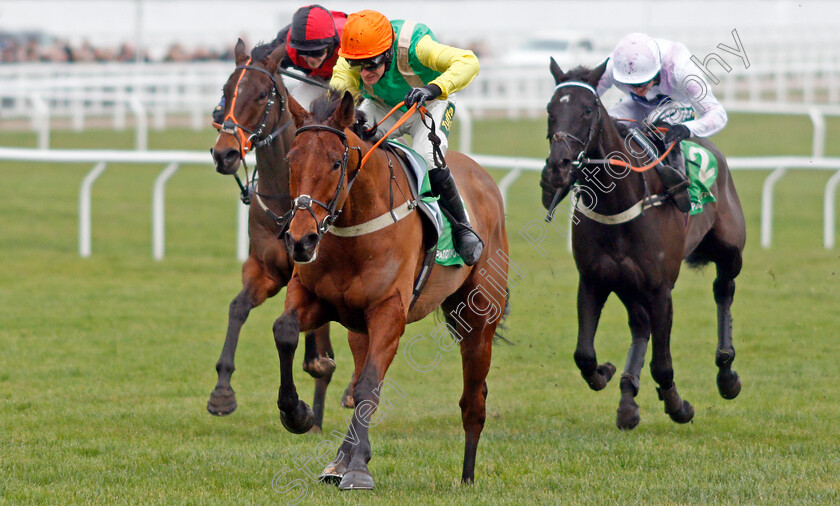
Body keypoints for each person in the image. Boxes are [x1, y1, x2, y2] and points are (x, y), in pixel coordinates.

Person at [329, 9, 483, 265]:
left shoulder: (415, 45)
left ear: (388, 53)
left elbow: (469, 62)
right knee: (350, 144)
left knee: (427, 156)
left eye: (371, 64)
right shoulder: (350, 57)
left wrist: (433, 89)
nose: (365, 73)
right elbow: (337, 97)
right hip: (382, 106)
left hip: (429, 103)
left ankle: (462, 227)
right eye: (358, 65)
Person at [596, 33, 728, 213]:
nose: (638, 89)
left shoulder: (681, 69)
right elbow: (585, 95)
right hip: (637, 105)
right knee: (606, 127)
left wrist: (687, 128)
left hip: (678, 104)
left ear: (657, 70)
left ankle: (681, 187)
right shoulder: (613, 66)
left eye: (642, 83)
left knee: (656, 124)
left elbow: (718, 114)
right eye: (631, 85)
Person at [213, 4, 347, 122]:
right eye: (303, 52)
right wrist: (225, 104)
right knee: (293, 114)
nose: (310, 59)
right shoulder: (284, 44)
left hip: (353, 78)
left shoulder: (350, 38)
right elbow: (251, 70)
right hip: (317, 78)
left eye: (316, 52)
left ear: (330, 45)